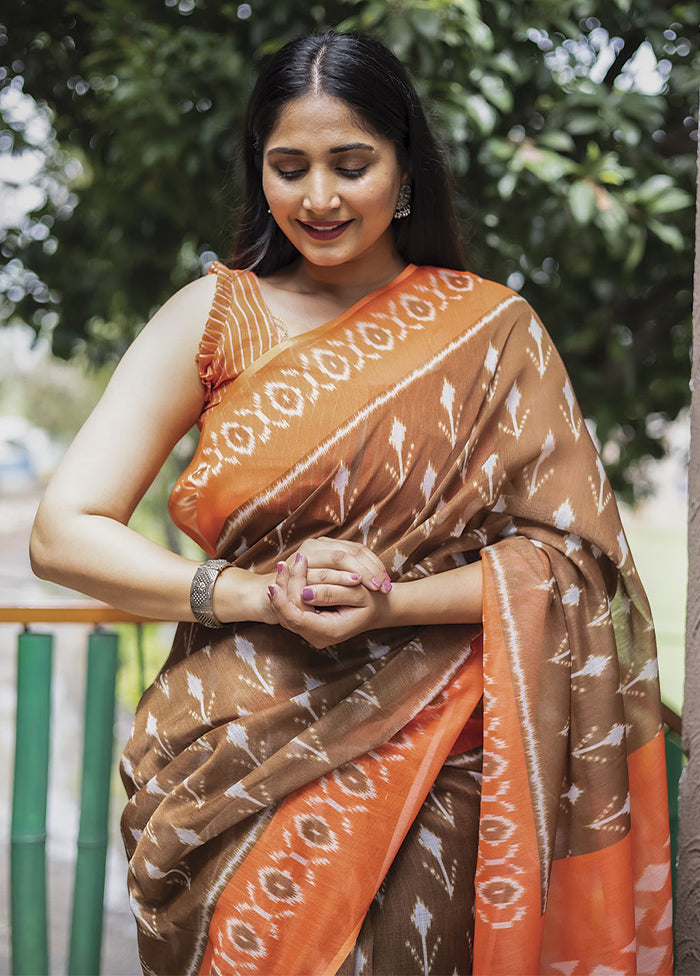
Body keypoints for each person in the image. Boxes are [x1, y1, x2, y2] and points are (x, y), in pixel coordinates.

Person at [30, 28, 673, 976]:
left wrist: (392, 604)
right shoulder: (217, 316)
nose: (319, 198)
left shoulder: (492, 330)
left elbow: (569, 564)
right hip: (232, 760)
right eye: (289, 167)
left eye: (351, 164)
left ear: (404, 167)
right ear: (259, 172)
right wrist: (253, 592)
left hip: (444, 759)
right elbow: (61, 532)